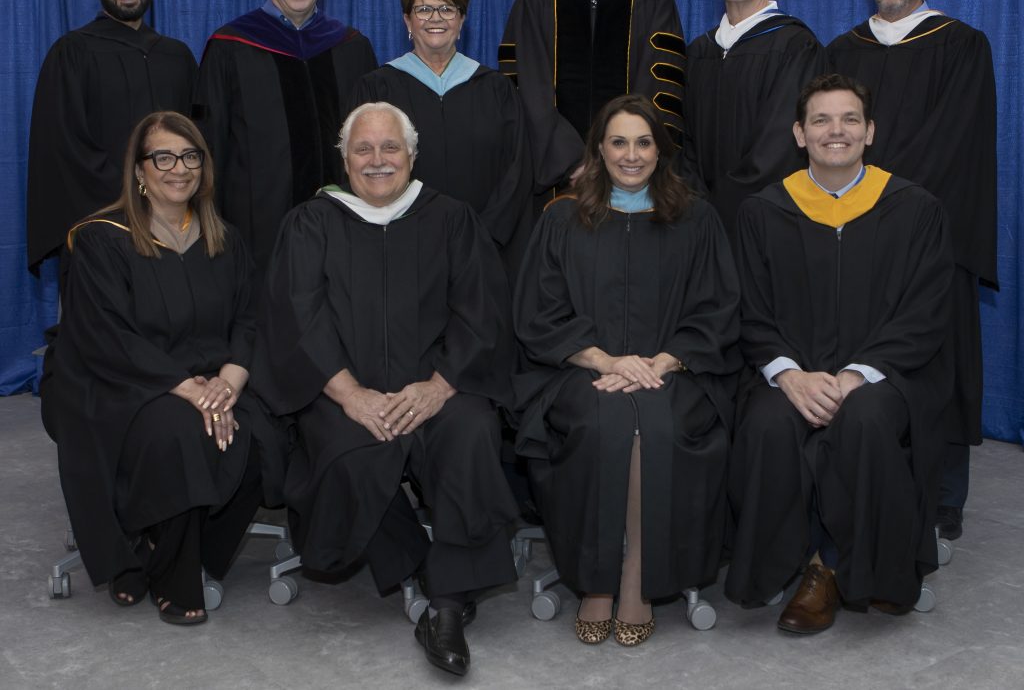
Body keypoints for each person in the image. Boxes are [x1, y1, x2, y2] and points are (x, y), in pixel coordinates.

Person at [252, 102, 518, 676]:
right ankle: (433, 575)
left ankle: (442, 606)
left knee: (469, 433)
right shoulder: (311, 223)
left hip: (438, 386)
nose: (378, 161)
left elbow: (481, 310)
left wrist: (440, 386)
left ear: (413, 155)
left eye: (390, 148)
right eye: (363, 150)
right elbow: (297, 318)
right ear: (344, 161)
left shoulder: (451, 219)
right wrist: (350, 394)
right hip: (341, 393)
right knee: (346, 454)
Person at [726, 74, 954, 633]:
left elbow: (925, 312)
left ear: (869, 131)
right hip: (792, 371)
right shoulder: (763, 211)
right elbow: (748, 310)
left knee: (867, 419)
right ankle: (795, 563)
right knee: (767, 422)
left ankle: (838, 568)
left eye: (850, 119)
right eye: (822, 120)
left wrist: (856, 374)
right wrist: (787, 375)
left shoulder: (913, 208)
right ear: (800, 134)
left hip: (884, 374)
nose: (837, 130)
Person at [40, 111, 285, 626]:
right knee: (178, 431)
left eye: (190, 155)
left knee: (266, 435)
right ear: (139, 170)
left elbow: (250, 318)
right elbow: (107, 336)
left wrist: (228, 382)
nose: (180, 168)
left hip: (212, 379)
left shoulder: (224, 239)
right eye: (164, 157)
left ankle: (176, 554)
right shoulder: (102, 239)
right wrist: (189, 392)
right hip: (114, 380)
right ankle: (175, 574)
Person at [514, 94, 741, 647]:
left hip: (676, 372)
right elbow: (537, 313)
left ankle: (635, 577)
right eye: (618, 141)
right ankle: (596, 583)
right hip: (581, 371)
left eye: (644, 142)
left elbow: (718, 308)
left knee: (651, 425)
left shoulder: (695, 218)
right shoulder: (564, 217)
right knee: (603, 422)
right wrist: (608, 361)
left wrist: (660, 362)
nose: (631, 154)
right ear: (598, 150)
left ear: (661, 151)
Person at [827, 0, 997, 543]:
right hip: (846, 234)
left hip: (929, 237)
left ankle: (943, 495)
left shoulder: (961, 45)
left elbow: (954, 143)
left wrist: (883, 205)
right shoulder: (841, 50)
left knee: (939, 359)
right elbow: (829, 141)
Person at [193, 0, 377, 271]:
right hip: (255, 231)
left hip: (343, 226)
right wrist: (210, 223)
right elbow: (208, 143)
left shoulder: (352, 47)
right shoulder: (230, 47)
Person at [498, 0, 686, 212]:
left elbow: (662, 89)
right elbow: (526, 88)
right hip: (557, 179)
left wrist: (626, 154)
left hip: (632, 173)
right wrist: (571, 162)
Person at [27, 0, 197, 273]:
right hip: (103, 228)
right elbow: (64, 148)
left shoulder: (177, 57)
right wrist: (134, 203)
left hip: (176, 225)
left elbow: (200, 137)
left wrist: (170, 198)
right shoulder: (73, 53)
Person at [349, 0, 532, 274]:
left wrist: (483, 234)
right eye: (423, 9)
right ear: (408, 21)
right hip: (403, 246)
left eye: (448, 9)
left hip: (485, 249)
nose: (436, 18)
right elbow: (364, 166)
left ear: (461, 21)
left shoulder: (495, 88)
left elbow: (517, 168)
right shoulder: (378, 90)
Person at [684, 0, 828, 237]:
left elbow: (780, 145)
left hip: (766, 219)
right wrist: (695, 202)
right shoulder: (699, 51)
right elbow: (684, 139)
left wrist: (721, 206)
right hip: (697, 219)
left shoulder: (794, 45)